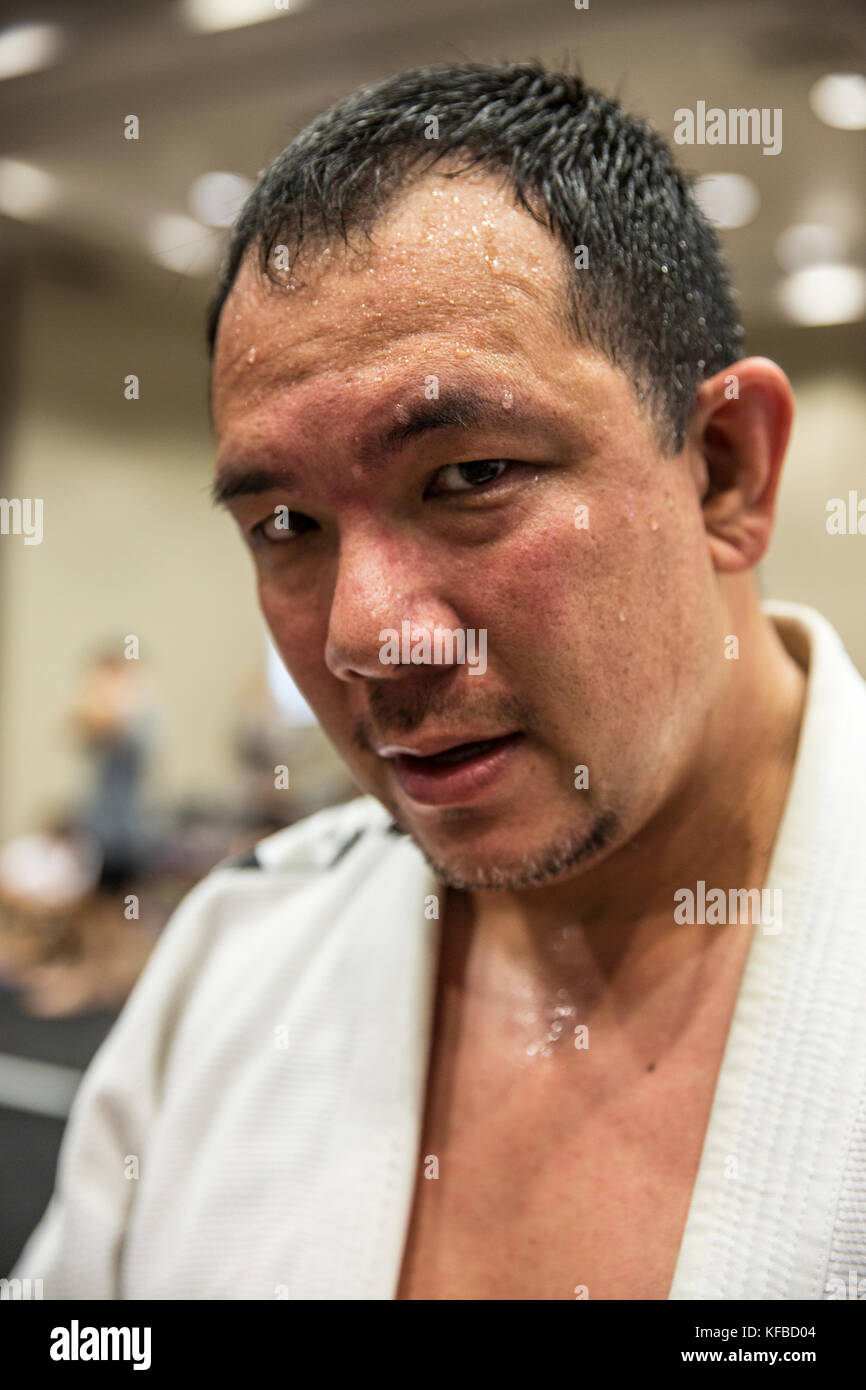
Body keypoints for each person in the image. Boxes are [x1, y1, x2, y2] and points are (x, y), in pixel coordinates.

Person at [11, 61, 866, 1301]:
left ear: (724, 470)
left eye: (470, 476)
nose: (363, 636)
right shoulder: (235, 967)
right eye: (287, 525)